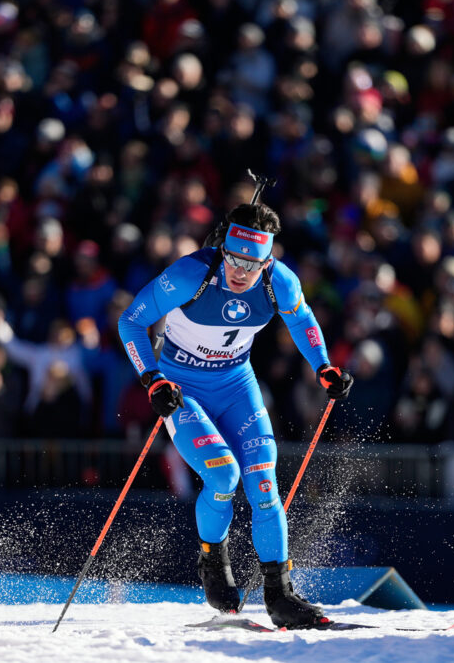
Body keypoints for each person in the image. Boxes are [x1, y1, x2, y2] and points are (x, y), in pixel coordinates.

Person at [117, 202, 353, 628]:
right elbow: (131, 322)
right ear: (223, 250)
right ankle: (213, 560)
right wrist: (153, 380)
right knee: (223, 476)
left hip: (236, 387)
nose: (241, 272)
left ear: (268, 260)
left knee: (264, 483)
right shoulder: (191, 274)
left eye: (253, 264)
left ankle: (280, 595)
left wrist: (324, 367)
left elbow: (303, 320)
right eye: (234, 259)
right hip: (183, 388)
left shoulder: (279, 282)